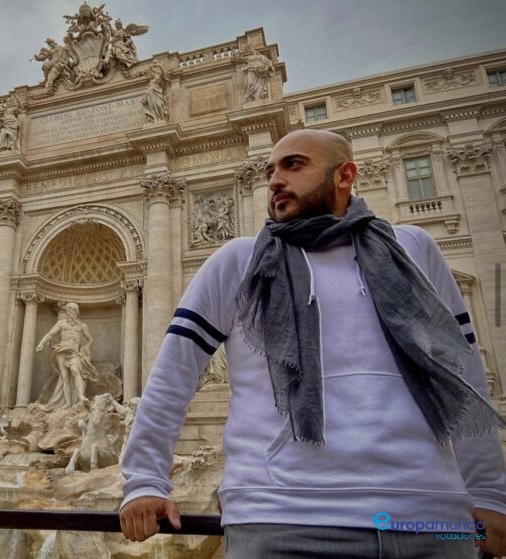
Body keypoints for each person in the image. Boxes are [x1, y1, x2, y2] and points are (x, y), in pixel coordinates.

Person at [119, 129, 506, 558]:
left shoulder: (413, 248)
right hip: (281, 518)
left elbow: (463, 370)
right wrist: (145, 480)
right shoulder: (238, 260)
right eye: (270, 170)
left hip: (432, 519)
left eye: (294, 164)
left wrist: (489, 495)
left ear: (345, 175)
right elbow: (172, 376)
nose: (274, 180)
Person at [36, 302, 100, 410]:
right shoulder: (61, 323)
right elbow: (50, 334)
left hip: (74, 352)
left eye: (70, 310)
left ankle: (81, 396)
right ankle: (68, 402)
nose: (68, 312)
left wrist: (87, 347)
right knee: (65, 377)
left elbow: (90, 339)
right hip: (61, 350)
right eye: (67, 310)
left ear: (76, 311)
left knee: (75, 370)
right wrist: (41, 343)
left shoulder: (82, 325)